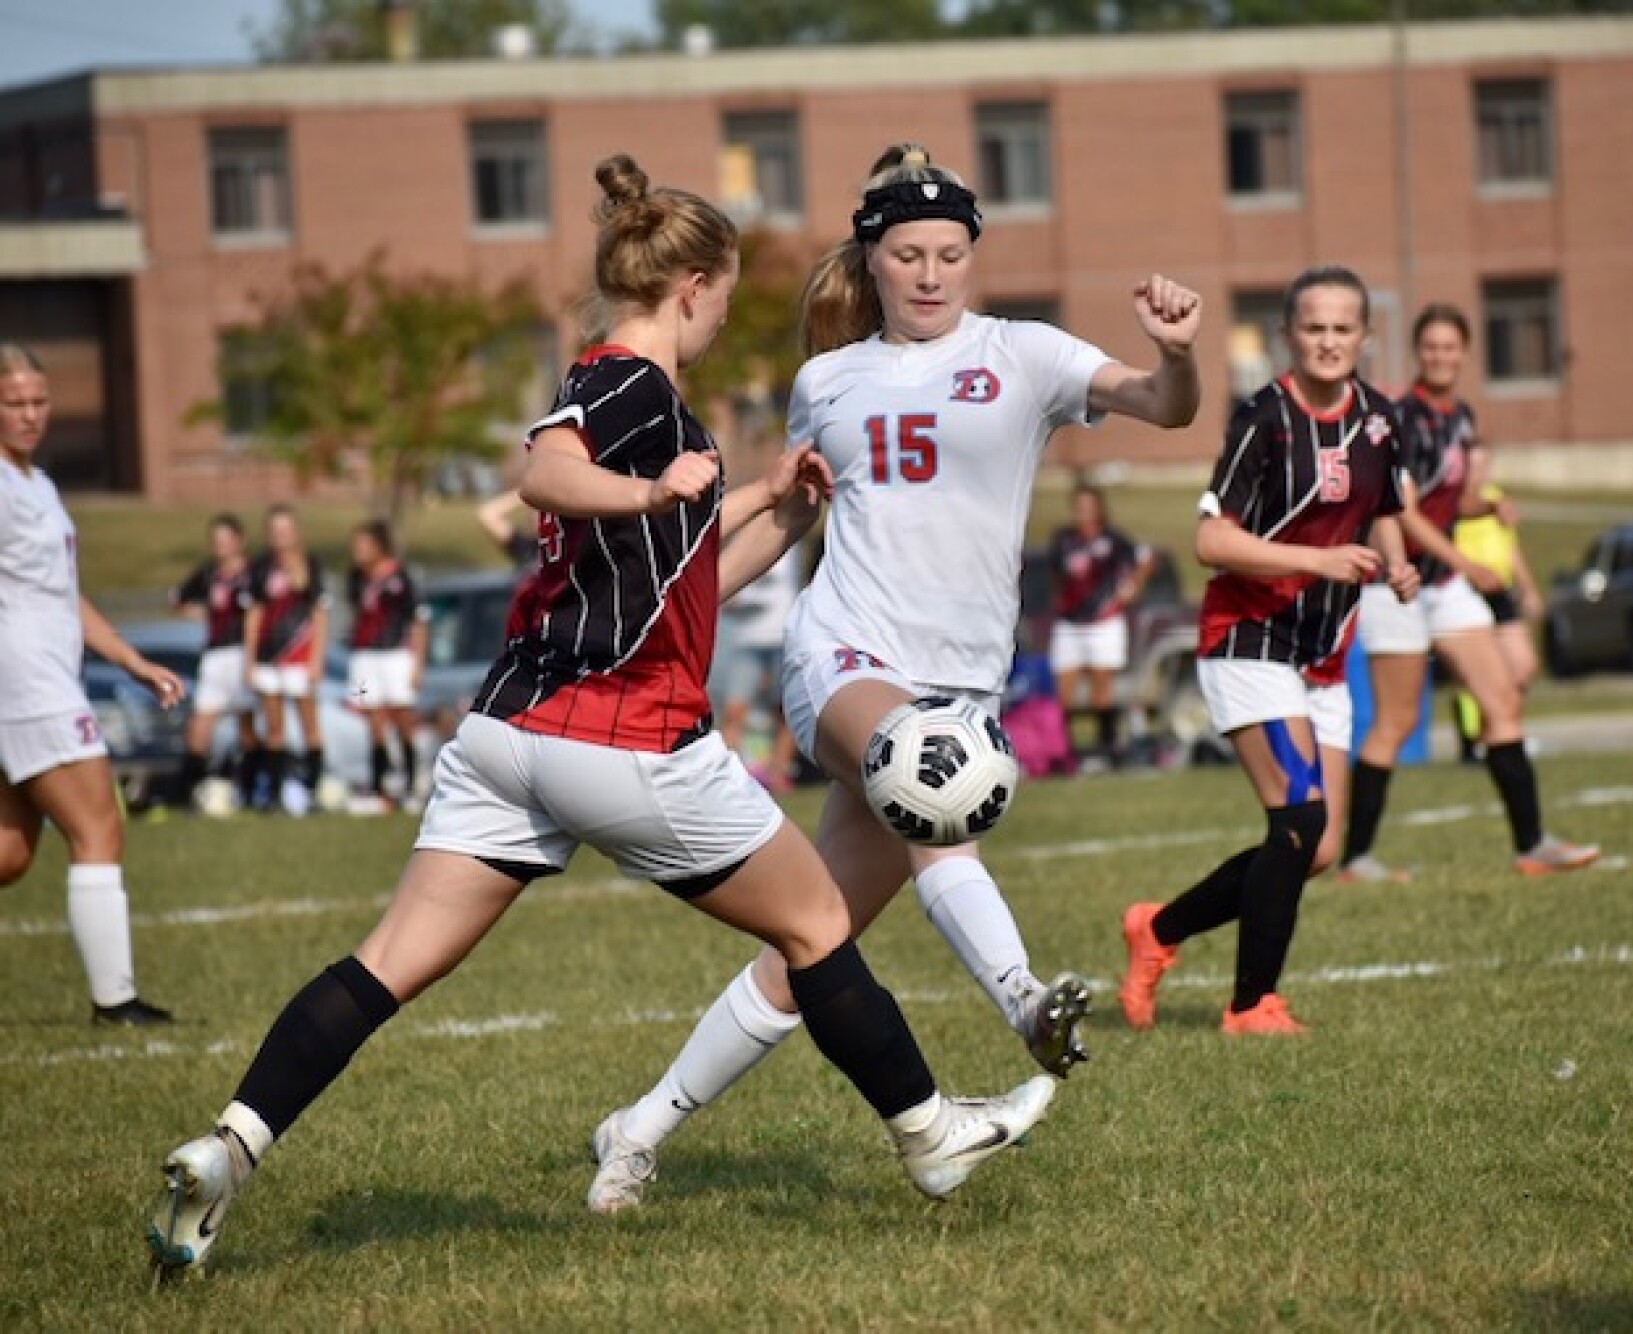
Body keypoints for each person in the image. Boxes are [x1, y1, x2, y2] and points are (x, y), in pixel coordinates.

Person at [147, 154, 1053, 1278]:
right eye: (723, 294)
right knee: (819, 925)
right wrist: (652, 488)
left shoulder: (659, 416)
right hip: (622, 738)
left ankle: (229, 1145)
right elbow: (543, 468)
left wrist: (773, 501)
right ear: (695, 286)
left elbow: (690, 577)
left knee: (384, 962)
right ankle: (929, 1132)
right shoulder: (633, 385)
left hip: (505, 738)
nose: (726, 313)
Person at [586, 142, 1202, 1212]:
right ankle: (1022, 999)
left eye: (949, 253)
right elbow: (790, 517)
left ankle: (636, 1131)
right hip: (846, 658)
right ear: (871, 261)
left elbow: (1167, 404)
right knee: (924, 780)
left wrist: (1180, 351)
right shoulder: (827, 380)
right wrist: (665, 615)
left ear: (973, 255)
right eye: (908, 253)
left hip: (961, 686)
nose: (929, 273)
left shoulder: (1026, 354)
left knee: (808, 943)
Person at [1117, 267, 1419, 1036]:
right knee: (1300, 823)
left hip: (1323, 650)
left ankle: (1158, 930)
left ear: (1364, 337)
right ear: (1289, 335)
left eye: (1342, 328)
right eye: (1313, 327)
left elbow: (1381, 508)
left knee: (1316, 848)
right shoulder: (1265, 417)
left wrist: (1399, 561)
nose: (1327, 340)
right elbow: (1211, 539)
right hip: (1248, 639)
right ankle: (1252, 1005)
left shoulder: (1381, 419)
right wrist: (1319, 561)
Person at [1339, 302, 1597, 881]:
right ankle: (1357, 857)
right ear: (1418, 351)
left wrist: (1487, 507)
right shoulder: (1398, 416)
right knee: (1396, 723)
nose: (1440, 355)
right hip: (1396, 583)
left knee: (1502, 699)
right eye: (1430, 346)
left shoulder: (1460, 416)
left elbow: (1445, 501)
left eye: (1450, 346)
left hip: (1443, 583)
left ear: (1464, 352)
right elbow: (1400, 510)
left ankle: (1532, 845)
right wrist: (1467, 562)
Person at [0, 343, 181, 1025]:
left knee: (12, 855)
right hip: (27, 681)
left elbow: (64, 595)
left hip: (42, 677)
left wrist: (131, 660)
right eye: (13, 402)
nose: (29, 414)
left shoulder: (36, 484)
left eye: (39, 401)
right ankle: (116, 1001)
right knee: (99, 824)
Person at [1049, 482, 1156, 769]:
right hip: (1070, 622)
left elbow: (1145, 559)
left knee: (1101, 690)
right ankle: (1061, 752)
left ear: (1098, 508)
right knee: (1062, 692)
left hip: (1104, 622)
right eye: (1078, 506)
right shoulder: (1063, 540)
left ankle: (1106, 748)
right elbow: (1057, 577)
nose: (1082, 512)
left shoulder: (1114, 540)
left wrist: (1133, 587)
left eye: (1087, 506)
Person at [244, 504, 330, 813]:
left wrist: (317, 659)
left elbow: (320, 614)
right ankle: (276, 794)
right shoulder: (260, 568)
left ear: (295, 532)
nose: (280, 535)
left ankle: (314, 790)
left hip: (300, 657)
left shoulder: (310, 565)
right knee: (274, 728)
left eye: (285, 529)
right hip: (269, 658)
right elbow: (254, 614)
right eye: (274, 530)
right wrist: (249, 661)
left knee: (310, 727)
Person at [1450, 483, 1543, 762]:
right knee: (1478, 672)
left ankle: (1502, 732)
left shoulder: (1495, 497)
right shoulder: (1452, 496)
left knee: (1523, 666)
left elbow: (1510, 547)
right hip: (1467, 588)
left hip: (1500, 588)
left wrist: (1527, 587)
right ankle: (1478, 739)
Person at [172, 514, 260, 805]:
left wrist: (251, 658)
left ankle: (251, 792)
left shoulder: (254, 573)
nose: (220, 546)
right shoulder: (209, 574)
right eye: (216, 541)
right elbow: (179, 600)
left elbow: (259, 615)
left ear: (240, 540)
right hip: (214, 656)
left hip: (242, 654)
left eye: (226, 539)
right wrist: (205, 614)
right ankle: (188, 795)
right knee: (199, 727)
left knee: (246, 728)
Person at [346, 519, 430, 810]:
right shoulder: (356, 577)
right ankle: (379, 785)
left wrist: (418, 664)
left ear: (379, 546)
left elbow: (418, 622)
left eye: (363, 544)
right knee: (373, 721)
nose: (357, 550)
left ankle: (411, 782)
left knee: (402, 717)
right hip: (364, 656)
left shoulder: (401, 577)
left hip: (395, 655)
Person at [714, 542, 802, 792]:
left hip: (784, 635)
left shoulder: (790, 540)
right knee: (734, 710)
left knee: (785, 712)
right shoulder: (741, 540)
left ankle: (779, 773)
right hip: (747, 638)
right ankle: (729, 776)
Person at [476, 488, 541, 567]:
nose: (537, 517)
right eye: (534, 511)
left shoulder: (558, 549)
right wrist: (526, 491)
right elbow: (487, 514)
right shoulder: (525, 546)